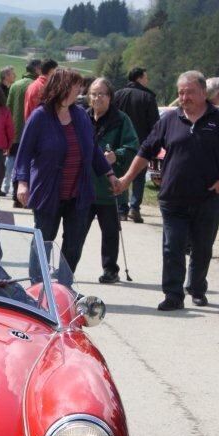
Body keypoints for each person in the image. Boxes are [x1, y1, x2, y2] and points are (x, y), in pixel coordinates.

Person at [117, 70, 219, 311]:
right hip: (173, 197)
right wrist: (126, 179)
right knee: (172, 246)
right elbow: (146, 151)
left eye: (189, 92)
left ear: (203, 92)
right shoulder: (169, 119)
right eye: (180, 93)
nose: (184, 97)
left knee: (202, 246)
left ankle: (196, 288)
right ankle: (173, 294)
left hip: (208, 197)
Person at [14, 68, 116, 274]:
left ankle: (64, 287)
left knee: (73, 245)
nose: (80, 90)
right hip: (48, 192)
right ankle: (37, 286)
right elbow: (23, 153)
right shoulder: (40, 117)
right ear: (62, 88)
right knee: (44, 243)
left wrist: (109, 174)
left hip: (78, 193)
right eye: (75, 86)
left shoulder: (80, 115)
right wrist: (22, 183)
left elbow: (92, 148)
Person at [85, 77, 139, 283]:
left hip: (109, 187)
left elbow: (133, 146)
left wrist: (116, 155)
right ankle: (67, 269)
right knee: (76, 232)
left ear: (110, 97)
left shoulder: (121, 119)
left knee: (110, 232)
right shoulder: (83, 117)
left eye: (101, 94)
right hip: (84, 186)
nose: (97, 98)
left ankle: (110, 270)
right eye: (93, 94)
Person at [113, 67, 159, 223]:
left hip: (120, 142)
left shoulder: (117, 95)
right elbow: (155, 124)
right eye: (146, 77)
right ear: (139, 78)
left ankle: (121, 209)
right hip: (142, 142)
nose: (147, 80)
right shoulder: (148, 97)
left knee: (120, 173)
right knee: (139, 176)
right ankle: (134, 208)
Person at [5, 59, 41, 206]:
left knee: (16, 164)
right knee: (31, 165)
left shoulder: (14, 86)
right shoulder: (37, 86)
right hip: (32, 132)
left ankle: (16, 196)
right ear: (37, 69)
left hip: (15, 132)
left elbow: (8, 109)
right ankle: (27, 198)